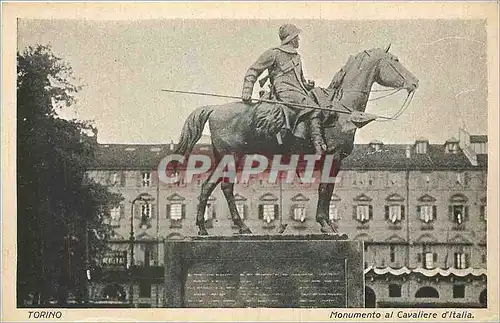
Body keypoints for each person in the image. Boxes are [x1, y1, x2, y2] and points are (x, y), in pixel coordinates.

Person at [241, 24, 327, 154]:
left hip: (297, 91)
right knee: (314, 108)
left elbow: (300, 80)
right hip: (283, 91)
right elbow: (253, 70)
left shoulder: (296, 57)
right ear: (291, 38)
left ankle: (300, 140)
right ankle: (318, 143)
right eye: (297, 37)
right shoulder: (274, 53)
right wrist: (247, 90)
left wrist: (307, 85)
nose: (298, 40)